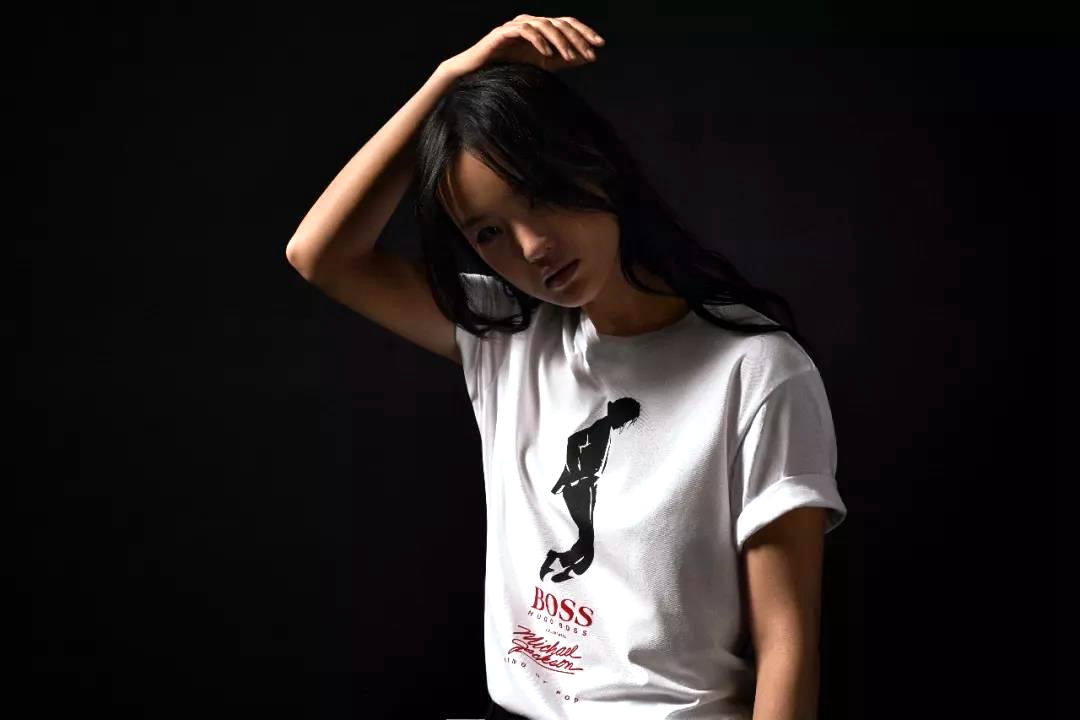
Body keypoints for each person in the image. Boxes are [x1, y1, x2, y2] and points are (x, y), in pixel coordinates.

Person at [286, 14, 847, 720]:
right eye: (489, 232)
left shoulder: (756, 371)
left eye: (539, 194)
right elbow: (320, 254)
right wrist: (450, 80)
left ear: (592, 163)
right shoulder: (508, 340)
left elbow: (787, 643)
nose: (531, 247)